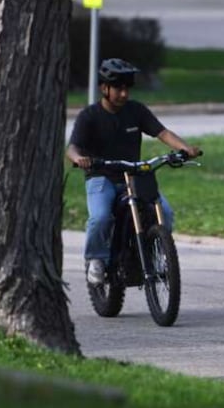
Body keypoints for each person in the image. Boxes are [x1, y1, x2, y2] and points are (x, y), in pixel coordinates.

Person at [66, 58, 201, 285]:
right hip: (102, 176)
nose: (124, 94)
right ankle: (96, 259)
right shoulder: (89, 116)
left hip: (133, 176)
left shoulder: (136, 111)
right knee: (100, 218)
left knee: (163, 212)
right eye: (118, 88)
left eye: (127, 88)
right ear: (104, 88)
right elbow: (72, 147)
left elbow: (162, 132)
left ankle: (154, 253)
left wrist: (184, 148)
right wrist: (80, 159)